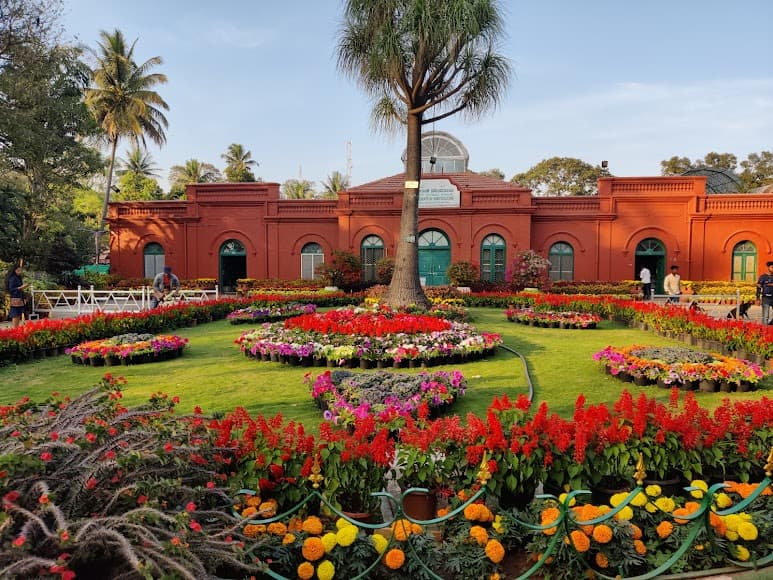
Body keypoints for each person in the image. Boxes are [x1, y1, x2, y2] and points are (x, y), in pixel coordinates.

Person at [5, 262, 28, 327]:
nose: (20, 272)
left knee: (18, 314)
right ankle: (15, 330)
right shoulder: (12, 278)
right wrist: (21, 287)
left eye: (21, 270)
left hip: (19, 298)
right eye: (18, 270)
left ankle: (16, 330)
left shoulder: (18, 277)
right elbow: (11, 290)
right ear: (14, 270)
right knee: (15, 314)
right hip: (15, 299)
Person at [756, 260, 773, 325]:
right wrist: (758, 298)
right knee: (766, 316)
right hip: (766, 298)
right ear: (768, 268)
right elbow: (758, 287)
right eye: (772, 267)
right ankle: (764, 331)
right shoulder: (763, 277)